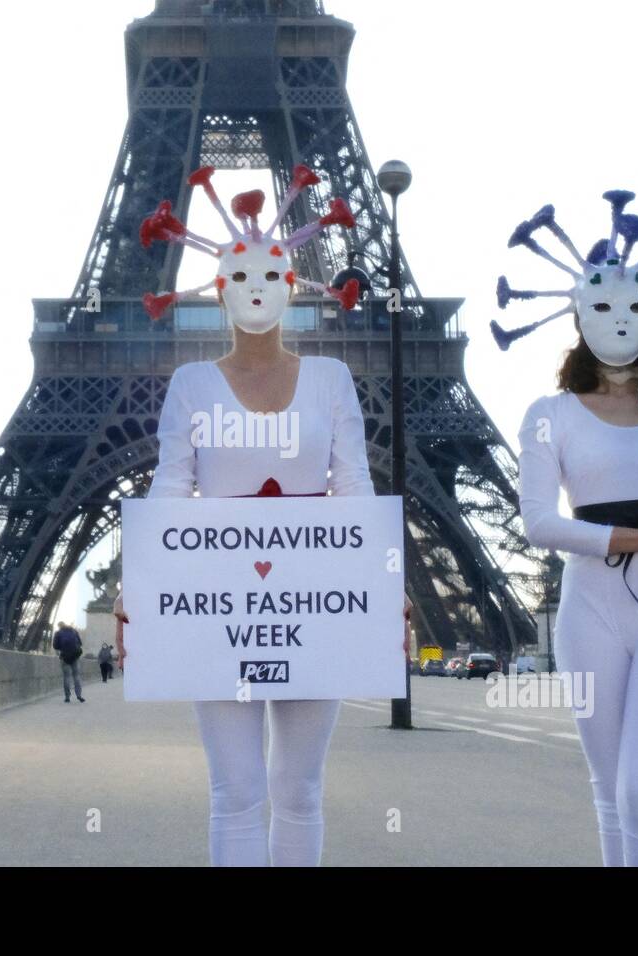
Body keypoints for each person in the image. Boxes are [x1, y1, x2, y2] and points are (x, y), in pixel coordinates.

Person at [112, 165, 411, 867]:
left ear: (293, 282)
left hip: (316, 598)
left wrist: (383, 587)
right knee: (236, 791)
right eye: (239, 277)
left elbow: (357, 490)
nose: (255, 288)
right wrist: (142, 585)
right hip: (219, 600)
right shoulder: (190, 384)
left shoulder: (332, 378)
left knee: (299, 789)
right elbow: (170, 488)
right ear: (218, 286)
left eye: (270, 275)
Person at [493, 191, 638, 866]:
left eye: (633, 305)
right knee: (609, 791)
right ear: (574, 312)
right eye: (601, 305)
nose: (618, 318)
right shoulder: (549, 413)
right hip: (593, 609)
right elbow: (537, 523)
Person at [53, 621, 85, 702]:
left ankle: (67, 697)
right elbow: (80, 643)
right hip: (75, 656)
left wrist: (63, 648)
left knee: (66, 677)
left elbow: (55, 646)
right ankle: (79, 695)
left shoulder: (58, 633)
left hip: (64, 657)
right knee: (76, 676)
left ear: (59, 626)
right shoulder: (74, 631)